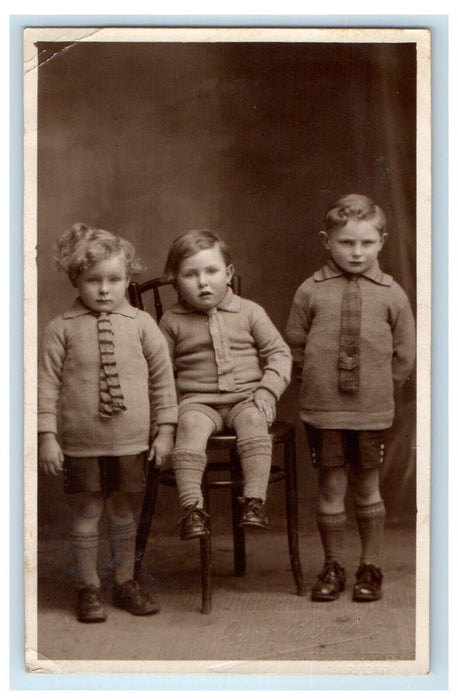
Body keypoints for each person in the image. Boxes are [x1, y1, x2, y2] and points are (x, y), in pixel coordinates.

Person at [38, 223, 178, 623]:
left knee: (121, 512)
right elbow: (45, 386)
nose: (104, 289)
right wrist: (47, 436)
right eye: (92, 280)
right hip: (81, 443)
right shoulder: (60, 329)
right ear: (75, 280)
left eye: (114, 280)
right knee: (86, 512)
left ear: (128, 278)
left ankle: (124, 581)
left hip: (131, 440)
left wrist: (165, 430)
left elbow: (162, 381)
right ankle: (87, 588)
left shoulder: (141, 324)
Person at [285, 194, 416, 602]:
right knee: (331, 487)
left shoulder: (392, 294)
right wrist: (315, 385)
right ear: (327, 241)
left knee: (367, 487)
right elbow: (294, 346)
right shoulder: (310, 290)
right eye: (346, 243)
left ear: (382, 241)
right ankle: (333, 565)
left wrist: (386, 389)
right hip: (323, 411)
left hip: (372, 411)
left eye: (366, 243)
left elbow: (405, 353)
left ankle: (370, 566)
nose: (356, 252)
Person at [159, 229, 292, 539]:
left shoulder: (250, 312)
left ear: (228, 273)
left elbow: (279, 353)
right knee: (190, 426)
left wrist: (267, 390)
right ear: (175, 280)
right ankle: (192, 508)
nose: (203, 282)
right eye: (190, 274)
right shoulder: (171, 321)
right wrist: (166, 416)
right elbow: (160, 371)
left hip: (246, 398)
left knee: (254, 420)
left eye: (212, 271)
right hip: (198, 401)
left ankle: (255, 501)